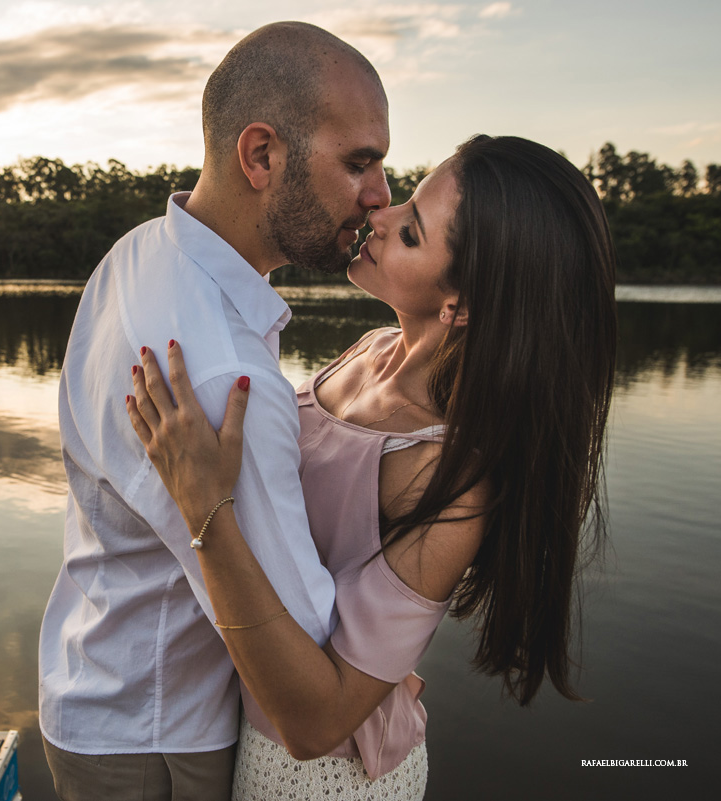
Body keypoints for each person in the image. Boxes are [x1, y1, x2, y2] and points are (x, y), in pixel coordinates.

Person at [124, 134, 617, 799]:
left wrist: (205, 508)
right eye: (406, 198)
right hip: (229, 723)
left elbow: (318, 721)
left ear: (462, 305)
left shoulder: (447, 479)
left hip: (322, 778)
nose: (378, 214)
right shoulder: (372, 348)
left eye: (410, 230)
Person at [38, 22, 391, 801]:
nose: (380, 195)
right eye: (359, 161)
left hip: (91, 683)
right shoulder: (226, 376)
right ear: (261, 154)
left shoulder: (137, 253)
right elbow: (307, 647)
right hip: (158, 735)